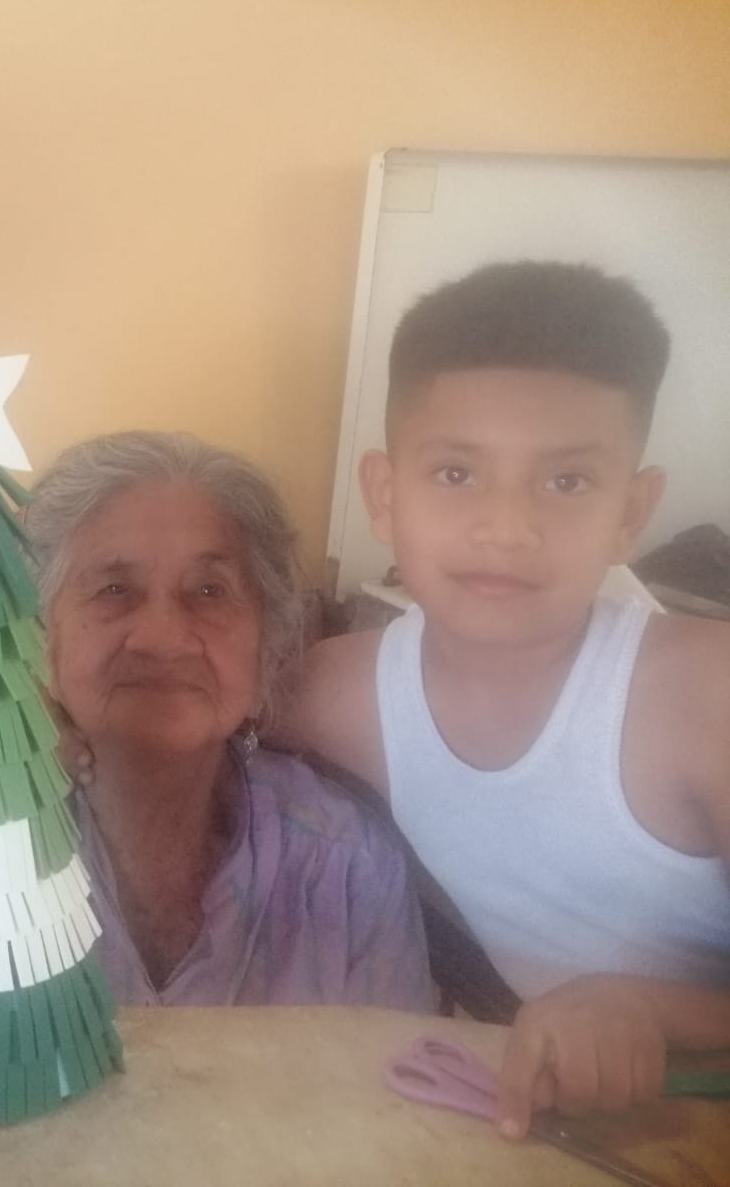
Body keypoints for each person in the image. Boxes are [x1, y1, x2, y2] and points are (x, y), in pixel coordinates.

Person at [0, 432, 436, 1013]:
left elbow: (399, 1108)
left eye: (209, 590)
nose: (163, 637)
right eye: (113, 589)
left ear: (266, 649)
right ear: (41, 641)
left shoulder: (343, 863)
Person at [286, 261, 730, 1139]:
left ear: (631, 512)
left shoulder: (704, 697)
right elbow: (184, 705)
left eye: (567, 482)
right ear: (385, 496)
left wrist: (641, 1007)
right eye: (456, 473)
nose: (508, 529)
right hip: (539, 1116)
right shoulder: (338, 692)